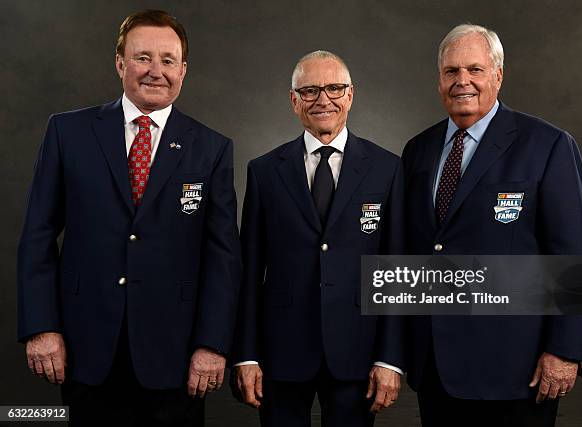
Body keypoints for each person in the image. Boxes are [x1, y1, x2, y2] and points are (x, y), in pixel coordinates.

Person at [17, 9, 241, 426]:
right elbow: (37, 236)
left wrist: (213, 345)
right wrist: (41, 327)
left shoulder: (211, 149)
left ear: (183, 70)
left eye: (168, 60)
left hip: (177, 359)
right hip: (85, 350)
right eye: (143, 58)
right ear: (120, 63)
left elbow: (223, 258)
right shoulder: (68, 133)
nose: (156, 71)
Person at [401, 24, 582, 426]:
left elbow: (573, 255)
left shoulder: (548, 145)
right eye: (451, 71)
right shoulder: (417, 151)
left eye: (475, 69)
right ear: (439, 79)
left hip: (517, 369)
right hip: (436, 367)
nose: (462, 81)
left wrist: (566, 350)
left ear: (498, 74)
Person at [231, 50, 406, 426]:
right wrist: (246, 355)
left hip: (357, 354)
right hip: (280, 354)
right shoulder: (264, 172)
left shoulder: (388, 170)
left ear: (351, 95)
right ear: (294, 101)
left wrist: (389, 358)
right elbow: (247, 274)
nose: (323, 100)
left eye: (334, 88)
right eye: (309, 90)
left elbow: (396, 271)